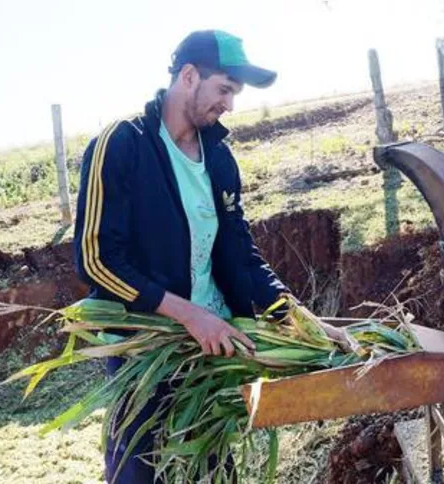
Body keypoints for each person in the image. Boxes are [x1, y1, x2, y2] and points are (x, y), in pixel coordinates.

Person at [72, 30, 342, 482]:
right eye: (224, 90)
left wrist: (298, 316)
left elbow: (241, 256)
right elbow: (96, 258)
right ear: (189, 76)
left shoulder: (219, 159)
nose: (230, 105)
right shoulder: (122, 143)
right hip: (152, 345)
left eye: (234, 94)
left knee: (213, 466)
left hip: (212, 345)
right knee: (137, 467)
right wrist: (188, 316)